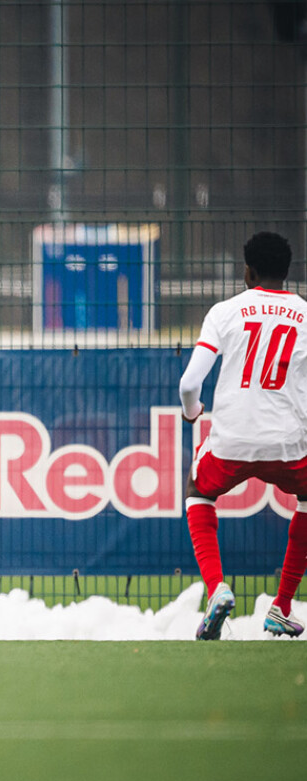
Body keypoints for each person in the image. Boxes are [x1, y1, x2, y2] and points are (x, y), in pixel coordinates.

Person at [181, 231, 307, 640]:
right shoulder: (305, 315)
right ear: (287, 274)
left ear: (247, 271)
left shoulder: (225, 312)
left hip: (231, 441)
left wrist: (192, 412)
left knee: (198, 492)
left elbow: (189, 383)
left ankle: (217, 589)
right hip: (289, 444)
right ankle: (281, 608)